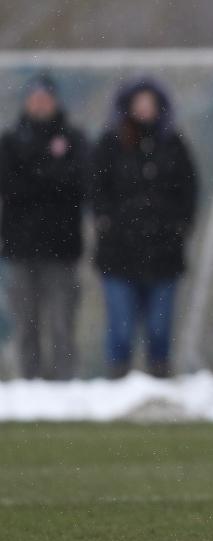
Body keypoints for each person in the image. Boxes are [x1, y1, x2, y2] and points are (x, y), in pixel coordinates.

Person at [91, 78, 197, 378]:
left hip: (164, 255)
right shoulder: (111, 144)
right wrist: (107, 224)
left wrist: (179, 226)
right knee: (121, 327)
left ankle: (159, 379)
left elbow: (188, 190)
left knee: (159, 327)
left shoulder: (173, 145)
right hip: (118, 255)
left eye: (149, 103)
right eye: (139, 103)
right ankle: (118, 378)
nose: (144, 109)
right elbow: (97, 190)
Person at [0, 73, 88, 379]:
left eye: (45, 97)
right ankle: (29, 381)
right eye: (34, 98)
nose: (40, 104)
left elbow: (76, 183)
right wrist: (48, 178)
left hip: (61, 248)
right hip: (20, 247)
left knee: (62, 321)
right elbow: (11, 185)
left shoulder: (73, 139)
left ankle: (64, 384)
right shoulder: (9, 142)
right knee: (26, 322)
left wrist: (38, 179)